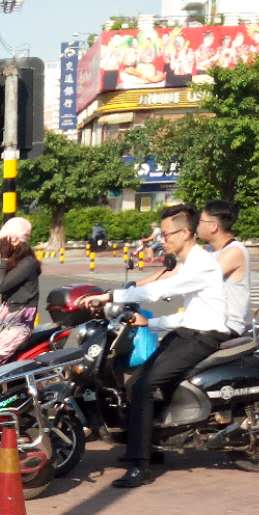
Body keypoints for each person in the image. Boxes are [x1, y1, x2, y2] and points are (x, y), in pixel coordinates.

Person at [78, 204, 231, 489]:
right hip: (188, 331)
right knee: (136, 381)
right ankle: (153, 444)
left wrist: (111, 296)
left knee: (143, 386)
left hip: (204, 336)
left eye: (167, 233)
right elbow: (188, 308)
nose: (164, 239)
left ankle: (141, 465)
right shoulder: (190, 264)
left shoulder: (203, 263)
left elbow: (160, 291)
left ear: (185, 232)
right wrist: (151, 323)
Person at [197, 199, 252, 336]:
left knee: (170, 357)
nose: (196, 225)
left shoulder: (234, 251)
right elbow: (181, 269)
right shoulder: (209, 250)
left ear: (213, 226)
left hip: (226, 328)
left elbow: (199, 278)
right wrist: (138, 285)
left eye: (200, 221)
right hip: (207, 324)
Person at [0, 216, 41, 319]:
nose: (1, 245)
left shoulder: (27, 263)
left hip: (20, 319)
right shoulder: (13, 261)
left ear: (14, 241)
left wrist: (4, 258)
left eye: (4, 241)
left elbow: (1, 287)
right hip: (8, 315)